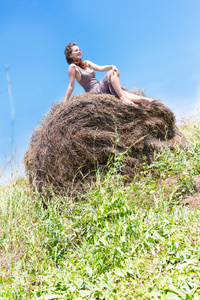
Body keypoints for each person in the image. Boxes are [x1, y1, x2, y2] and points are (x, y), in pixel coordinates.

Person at [64, 42, 157, 106]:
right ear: (70, 55)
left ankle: (144, 100)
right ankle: (122, 99)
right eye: (76, 51)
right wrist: (64, 104)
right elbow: (71, 86)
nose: (79, 51)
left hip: (100, 87)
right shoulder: (72, 67)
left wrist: (112, 66)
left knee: (120, 90)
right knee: (111, 75)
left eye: (79, 49)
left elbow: (100, 68)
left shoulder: (87, 63)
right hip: (93, 92)